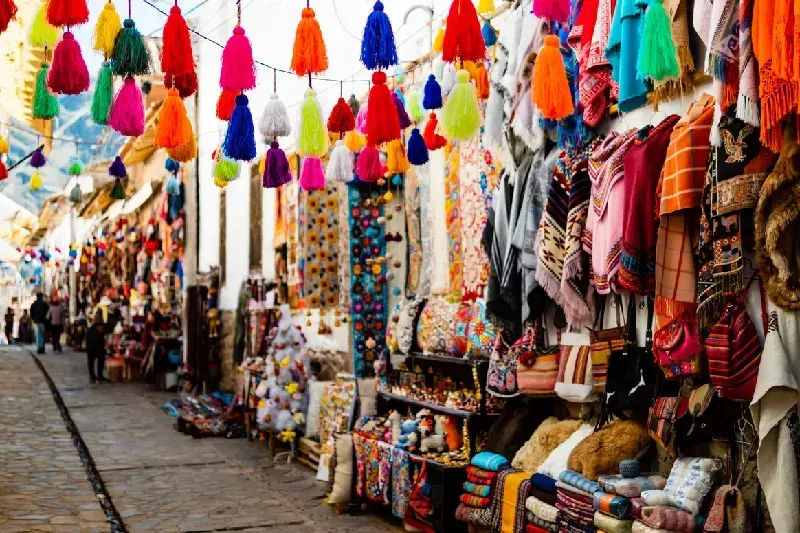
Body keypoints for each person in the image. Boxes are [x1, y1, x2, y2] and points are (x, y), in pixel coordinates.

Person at [86, 312, 110, 383]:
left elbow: (102, 341)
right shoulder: (91, 331)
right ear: (97, 326)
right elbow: (93, 342)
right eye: (100, 326)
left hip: (99, 349)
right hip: (91, 349)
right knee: (91, 362)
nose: (101, 328)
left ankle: (100, 375)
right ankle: (92, 376)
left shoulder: (100, 331)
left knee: (101, 360)